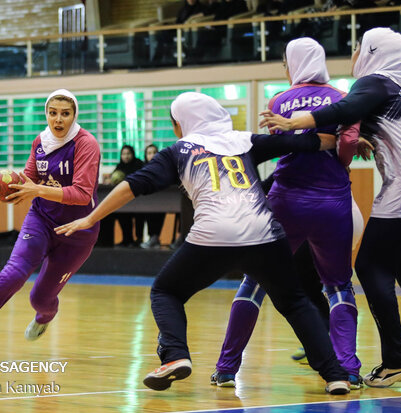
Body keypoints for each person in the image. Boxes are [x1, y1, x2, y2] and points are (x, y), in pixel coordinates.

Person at [56, 91, 352, 395]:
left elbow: (132, 186)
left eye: (175, 122)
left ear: (183, 122)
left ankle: (175, 356)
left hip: (214, 235)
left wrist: (90, 218)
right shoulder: (245, 140)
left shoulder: (178, 151)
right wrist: (348, 138)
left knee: (166, 291)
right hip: (262, 232)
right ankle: (335, 375)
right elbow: (310, 143)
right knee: (295, 302)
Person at [260, 27, 401, 388]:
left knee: (371, 267)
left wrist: (298, 122)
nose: (355, 54)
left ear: (374, 51)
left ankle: (398, 360)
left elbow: (345, 109)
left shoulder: (375, 82)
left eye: (358, 47)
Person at [211, 38, 363, 389]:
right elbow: (347, 147)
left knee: (255, 281)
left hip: (285, 200)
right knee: (339, 286)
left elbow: (281, 142)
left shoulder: (278, 100)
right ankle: (348, 369)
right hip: (332, 200)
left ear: (293, 63)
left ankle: (226, 367)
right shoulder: (342, 97)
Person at [0, 89, 101, 357]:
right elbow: (30, 177)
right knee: (12, 274)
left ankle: (45, 316)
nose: (58, 120)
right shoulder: (40, 142)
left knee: (39, 299)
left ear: (74, 115)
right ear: (46, 114)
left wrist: (36, 190)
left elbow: (82, 194)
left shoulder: (86, 144)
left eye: (65, 114)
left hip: (77, 231)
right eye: (53, 113)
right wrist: (12, 186)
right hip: (41, 219)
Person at [111, 145, 144, 247]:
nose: (126, 156)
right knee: (121, 213)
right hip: (124, 200)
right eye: (123, 154)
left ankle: (138, 240)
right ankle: (127, 239)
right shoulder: (119, 166)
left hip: (139, 199)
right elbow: (113, 179)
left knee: (140, 215)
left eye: (128, 154)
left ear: (132, 154)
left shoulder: (139, 164)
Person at [140, 144, 166, 249]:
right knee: (149, 214)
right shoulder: (143, 168)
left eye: (154, 152)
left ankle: (156, 238)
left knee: (159, 213)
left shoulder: (163, 167)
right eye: (149, 153)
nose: (152, 155)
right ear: (146, 155)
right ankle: (152, 238)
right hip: (147, 199)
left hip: (162, 198)